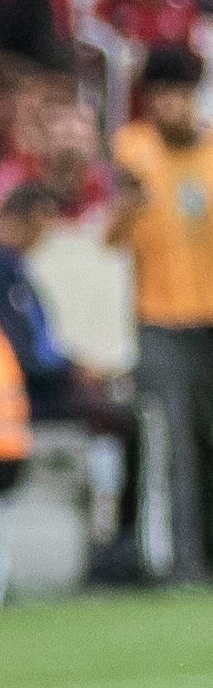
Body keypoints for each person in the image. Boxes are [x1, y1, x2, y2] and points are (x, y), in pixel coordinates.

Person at [109, 44, 213, 580]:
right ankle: (180, 562)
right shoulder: (133, 148)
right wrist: (128, 208)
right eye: (160, 94)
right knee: (172, 442)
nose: (169, 105)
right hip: (159, 317)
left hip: (209, 315)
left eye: (179, 93)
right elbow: (114, 238)